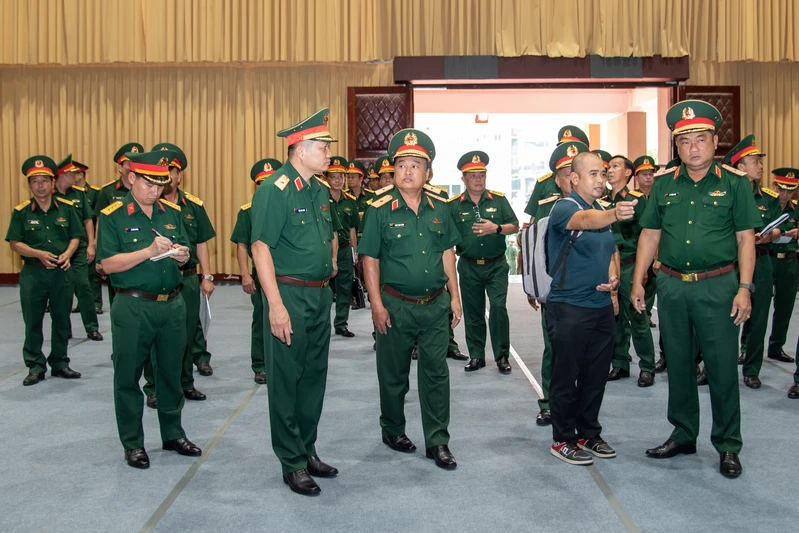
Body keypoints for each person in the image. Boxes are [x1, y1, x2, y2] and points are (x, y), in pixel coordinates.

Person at [631, 100, 759, 478]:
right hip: (672, 287)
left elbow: (746, 239)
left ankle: (728, 443)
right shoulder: (664, 184)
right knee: (679, 365)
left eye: (701, 139)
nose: (693, 148)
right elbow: (650, 234)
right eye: (685, 141)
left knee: (721, 368)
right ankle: (684, 433)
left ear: (715, 142)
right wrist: (638, 279)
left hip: (718, 287)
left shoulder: (734, 183)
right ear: (677, 146)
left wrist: (745, 288)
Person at [360, 128, 463, 470]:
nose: (408, 171)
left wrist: (455, 297)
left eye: (416, 165)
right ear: (393, 170)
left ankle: (438, 440)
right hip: (395, 305)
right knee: (394, 376)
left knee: (436, 375)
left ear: (428, 172)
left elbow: (447, 253)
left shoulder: (441, 207)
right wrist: (376, 305)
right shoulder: (379, 209)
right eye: (402, 165)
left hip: (434, 305)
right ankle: (392, 429)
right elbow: (370, 260)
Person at [251, 108, 341, 496]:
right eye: (323, 147)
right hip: (288, 294)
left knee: (313, 377)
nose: (328, 154)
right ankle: (291, 461)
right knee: (286, 379)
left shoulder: (318, 190)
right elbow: (260, 248)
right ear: (301, 150)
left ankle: (307, 449)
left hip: (320, 295)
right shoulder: (275, 189)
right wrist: (275, 305)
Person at [96, 148, 200, 469]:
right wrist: (146, 251)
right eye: (148, 184)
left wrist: (183, 256)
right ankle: (133, 443)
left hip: (172, 305)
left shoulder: (171, 212)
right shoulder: (113, 215)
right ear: (131, 178)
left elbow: (188, 252)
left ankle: (173, 433)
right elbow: (106, 264)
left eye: (160, 184)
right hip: (133, 305)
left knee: (170, 374)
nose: (155, 191)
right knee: (128, 376)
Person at [546, 151, 634, 465]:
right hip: (569, 306)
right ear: (574, 178)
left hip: (600, 307)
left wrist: (614, 281)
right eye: (593, 174)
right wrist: (613, 213)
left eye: (603, 174)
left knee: (595, 377)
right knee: (566, 376)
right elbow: (584, 221)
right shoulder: (565, 207)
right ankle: (563, 439)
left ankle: (588, 433)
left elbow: (611, 253)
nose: (601, 180)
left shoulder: (601, 211)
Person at [141, 143, 214, 408]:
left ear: (179, 175)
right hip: (156, 278)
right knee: (154, 334)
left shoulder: (193, 205)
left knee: (186, 332)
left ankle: (185, 383)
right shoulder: (147, 206)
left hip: (187, 278)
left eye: (170, 171)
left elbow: (201, 242)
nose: (166, 177)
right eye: (160, 172)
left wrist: (207, 276)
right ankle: (153, 387)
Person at [6, 156, 84, 386]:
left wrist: (68, 253)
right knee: (33, 321)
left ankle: (60, 363)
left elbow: (76, 236)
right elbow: (14, 243)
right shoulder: (21, 212)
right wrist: (37, 253)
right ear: (29, 185)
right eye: (35, 181)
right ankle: (35, 365)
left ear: (52, 183)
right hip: (34, 274)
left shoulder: (67, 209)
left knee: (61, 320)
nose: (40, 186)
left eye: (44, 181)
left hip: (61, 273)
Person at [527, 140, 589, 427]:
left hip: (589, 294)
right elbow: (533, 248)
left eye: (576, 172)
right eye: (566, 174)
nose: (571, 178)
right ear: (558, 179)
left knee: (587, 352)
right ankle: (550, 404)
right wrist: (533, 285)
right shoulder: (545, 209)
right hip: (555, 293)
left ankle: (581, 405)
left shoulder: (600, 208)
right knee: (554, 348)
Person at [448, 151, 519, 373]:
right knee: (473, 312)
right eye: (473, 175)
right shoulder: (454, 205)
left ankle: (502, 356)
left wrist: (496, 228)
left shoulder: (499, 200)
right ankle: (477, 355)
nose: (478, 179)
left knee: (498, 308)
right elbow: (446, 237)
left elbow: (514, 226)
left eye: (481, 175)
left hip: (496, 265)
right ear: (463, 179)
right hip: (469, 265)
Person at [723, 135, 779, 389]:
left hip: (762, 262)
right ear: (740, 167)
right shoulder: (726, 194)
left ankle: (752, 368)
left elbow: (780, 225)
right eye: (755, 161)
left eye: (759, 161)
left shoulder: (769, 197)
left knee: (758, 319)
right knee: (726, 318)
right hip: (732, 263)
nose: (761, 166)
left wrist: (772, 234)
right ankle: (717, 368)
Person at [604, 155, 655, 387]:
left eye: (615, 166)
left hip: (631, 264)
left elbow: (648, 234)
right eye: (609, 167)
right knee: (615, 318)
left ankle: (647, 366)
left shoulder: (636, 200)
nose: (610, 170)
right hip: (609, 266)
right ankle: (620, 362)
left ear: (627, 173)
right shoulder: (602, 201)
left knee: (638, 316)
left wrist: (643, 269)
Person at [230, 158, 282, 385]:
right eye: (261, 183)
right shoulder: (248, 211)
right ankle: (260, 364)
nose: (265, 186)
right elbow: (242, 245)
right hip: (261, 273)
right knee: (262, 318)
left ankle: (281, 362)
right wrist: (245, 274)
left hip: (288, 273)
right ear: (256, 186)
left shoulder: (286, 206)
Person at [51, 155, 104, 342]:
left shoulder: (79, 194)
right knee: (61, 290)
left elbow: (88, 220)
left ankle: (92, 328)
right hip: (58, 250)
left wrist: (91, 244)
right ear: (62, 175)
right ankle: (64, 328)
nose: (76, 176)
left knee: (83, 286)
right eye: (72, 174)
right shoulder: (50, 196)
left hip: (79, 249)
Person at [94, 142, 145, 307]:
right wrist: (100, 256)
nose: (132, 167)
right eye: (128, 163)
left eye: (136, 163)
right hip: (117, 253)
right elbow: (100, 224)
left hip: (143, 250)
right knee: (118, 299)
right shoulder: (107, 191)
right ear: (120, 167)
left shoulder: (149, 190)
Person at [767, 169, 799, 373]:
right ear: (774, 186)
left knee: (785, 306)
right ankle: (746, 348)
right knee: (757, 306)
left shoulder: (796, 209)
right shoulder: (766, 205)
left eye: (790, 190)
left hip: (789, 261)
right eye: (782, 189)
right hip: (767, 258)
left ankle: (776, 346)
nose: (785, 194)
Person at [328, 156, 359, 338]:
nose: (338, 180)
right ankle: (321, 325)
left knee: (345, 289)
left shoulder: (350, 200)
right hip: (326, 251)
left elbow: (353, 229)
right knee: (325, 290)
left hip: (345, 250)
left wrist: (354, 252)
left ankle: (341, 324)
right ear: (326, 178)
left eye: (341, 176)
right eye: (333, 176)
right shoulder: (322, 199)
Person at [72, 160, 103, 315]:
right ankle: (82, 302)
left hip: (89, 237)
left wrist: (95, 240)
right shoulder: (69, 194)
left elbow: (97, 217)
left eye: (73, 174)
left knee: (92, 274)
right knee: (76, 275)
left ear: (80, 175)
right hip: (74, 238)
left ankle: (96, 303)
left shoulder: (94, 193)